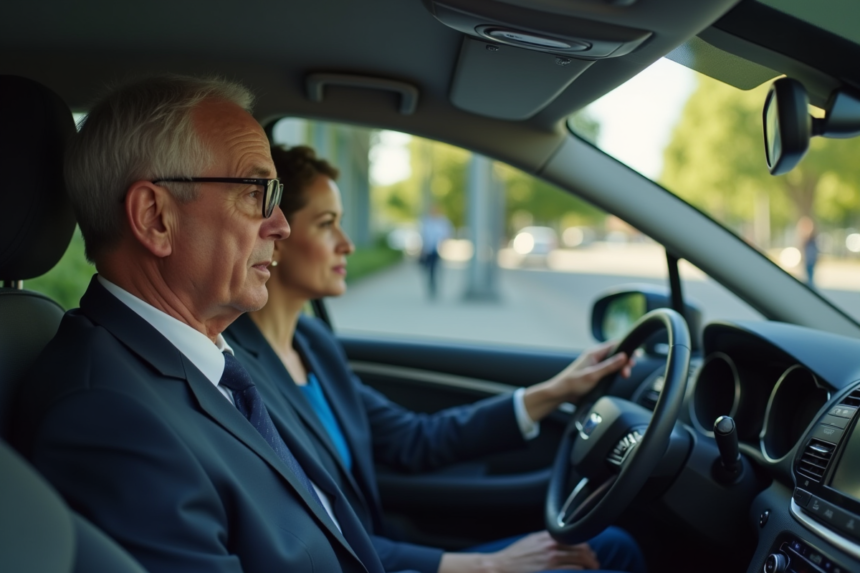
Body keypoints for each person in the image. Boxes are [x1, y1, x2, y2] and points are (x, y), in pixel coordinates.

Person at [12, 77, 400, 573]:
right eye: (257, 190)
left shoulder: (213, 353)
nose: (281, 225)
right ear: (155, 218)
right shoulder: (107, 417)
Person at [225, 145, 647, 573]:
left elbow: (415, 439)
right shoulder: (234, 370)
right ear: (275, 234)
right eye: (326, 224)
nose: (347, 245)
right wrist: (489, 565)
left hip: (386, 551)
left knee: (612, 544)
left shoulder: (312, 343)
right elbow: (317, 539)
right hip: (360, 563)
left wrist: (555, 392)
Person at [419, 204, 452, 298]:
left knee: (437, 269)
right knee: (429, 270)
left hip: (439, 250)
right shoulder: (427, 222)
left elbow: (447, 234)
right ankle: (431, 286)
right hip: (429, 250)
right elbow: (423, 236)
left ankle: (436, 287)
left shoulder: (443, 222)